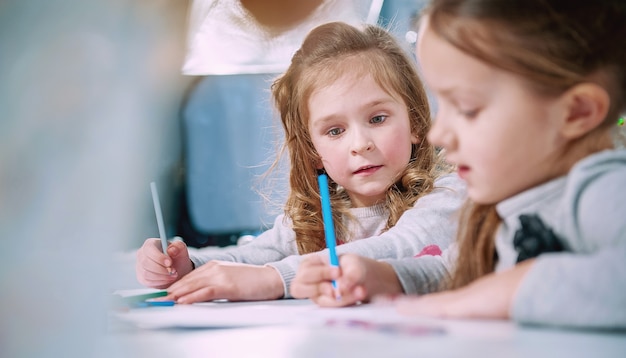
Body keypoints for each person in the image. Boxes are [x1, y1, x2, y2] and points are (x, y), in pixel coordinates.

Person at [292, 0, 626, 329]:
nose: (438, 134)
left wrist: (510, 290)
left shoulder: (603, 191)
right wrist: (383, 275)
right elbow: (453, 270)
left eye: (466, 109)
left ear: (576, 112)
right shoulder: (503, 209)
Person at [135, 21, 466, 304]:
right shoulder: (316, 216)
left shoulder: (447, 193)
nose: (361, 144)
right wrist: (188, 265)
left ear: (417, 123)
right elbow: (251, 257)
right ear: (311, 150)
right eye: (335, 130)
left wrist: (275, 280)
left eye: (378, 118)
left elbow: (400, 248)